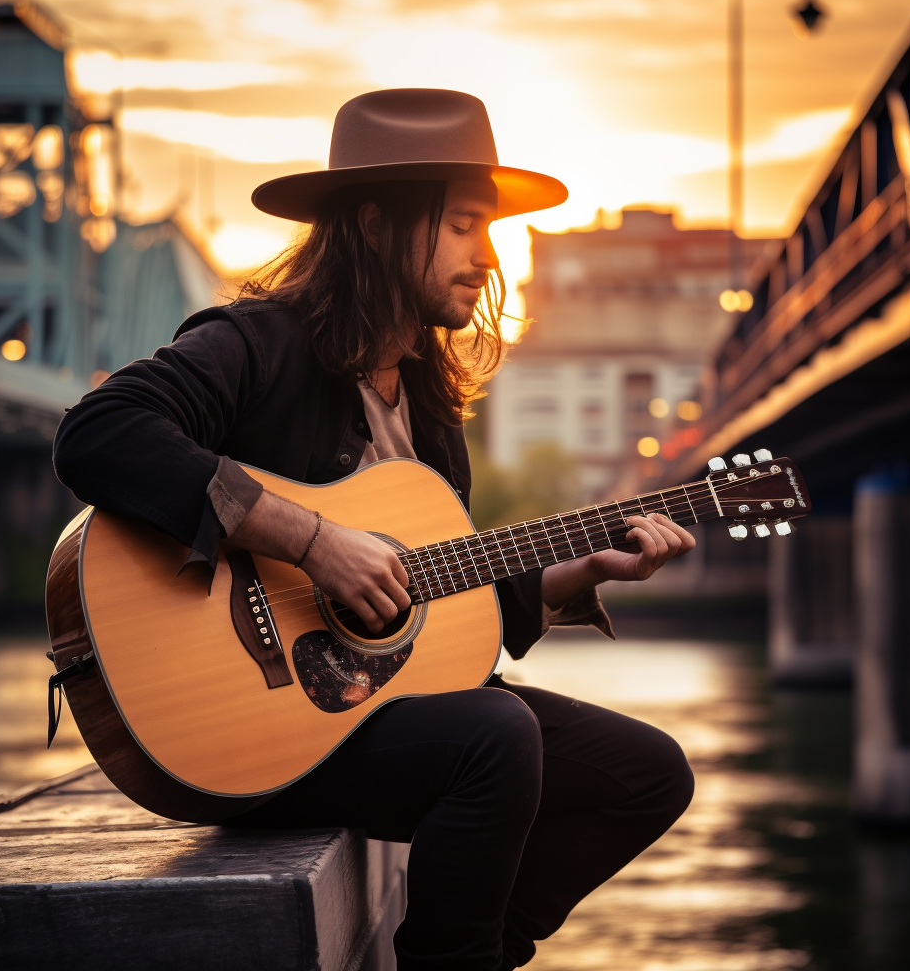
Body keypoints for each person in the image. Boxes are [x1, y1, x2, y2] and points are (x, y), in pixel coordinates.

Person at [53, 88, 695, 971]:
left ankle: (484, 950)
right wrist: (311, 539)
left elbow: (441, 610)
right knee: (495, 737)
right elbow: (98, 433)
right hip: (247, 730)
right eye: (466, 225)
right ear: (376, 225)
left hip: (362, 717)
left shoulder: (427, 407)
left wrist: (582, 570)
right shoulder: (259, 344)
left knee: (647, 773)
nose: (487, 255)